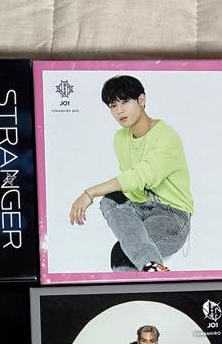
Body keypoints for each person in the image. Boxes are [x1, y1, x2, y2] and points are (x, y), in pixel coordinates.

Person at [68, 74, 192, 272]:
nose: (119, 110)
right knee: (110, 199)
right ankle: (154, 268)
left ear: (141, 100)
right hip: (140, 207)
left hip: (173, 217)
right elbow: (130, 186)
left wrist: (90, 192)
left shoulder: (166, 136)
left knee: (121, 255)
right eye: (113, 105)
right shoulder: (121, 138)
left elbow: (138, 176)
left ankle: (153, 271)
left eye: (125, 101)